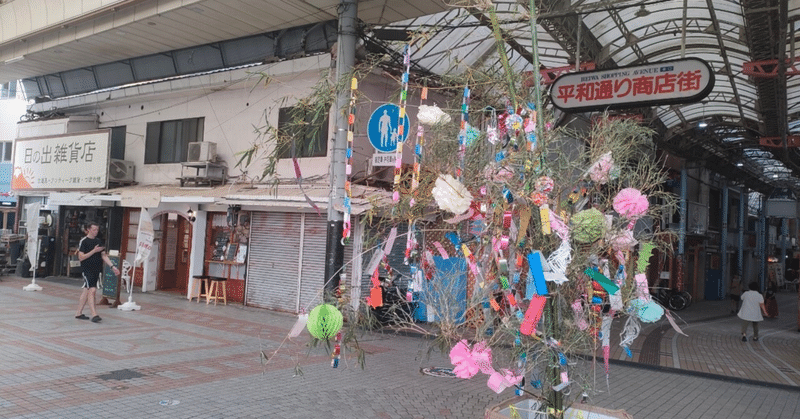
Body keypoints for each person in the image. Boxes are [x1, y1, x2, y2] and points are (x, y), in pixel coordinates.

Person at [74, 222, 119, 322]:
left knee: (86, 290)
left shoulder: (98, 241)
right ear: (88, 229)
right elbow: (81, 257)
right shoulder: (84, 241)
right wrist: (93, 251)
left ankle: (78, 312)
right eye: (94, 230)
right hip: (87, 269)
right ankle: (94, 314)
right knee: (92, 290)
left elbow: (103, 255)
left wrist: (112, 267)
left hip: (96, 269)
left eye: (97, 230)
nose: (96, 232)